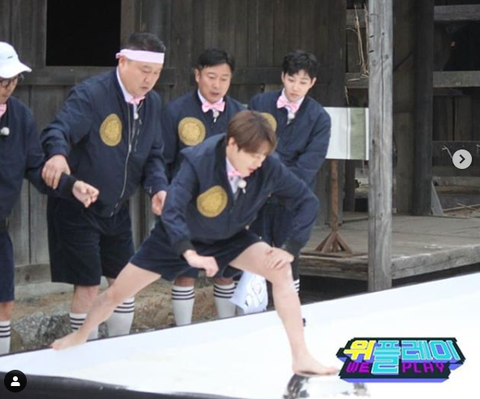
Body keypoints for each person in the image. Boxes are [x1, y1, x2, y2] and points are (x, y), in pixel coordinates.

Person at [52, 111, 338, 376]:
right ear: (232, 144)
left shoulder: (268, 166)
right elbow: (172, 210)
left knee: (281, 270)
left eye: (264, 156)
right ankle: (81, 334)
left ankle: (301, 356)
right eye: (254, 155)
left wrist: (290, 248)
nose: (258, 162)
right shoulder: (199, 159)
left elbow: (307, 201)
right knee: (117, 293)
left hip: (230, 236)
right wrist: (188, 252)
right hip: (177, 238)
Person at [41, 32, 169, 340]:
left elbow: (154, 154)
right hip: (79, 205)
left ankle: (118, 349)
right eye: (144, 70)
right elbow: (58, 129)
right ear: (122, 62)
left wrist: (158, 187)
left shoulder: (152, 103)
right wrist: (57, 155)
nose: (150, 80)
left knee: (124, 281)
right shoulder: (92, 94)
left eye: (156, 73)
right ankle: (82, 351)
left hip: (117, 208)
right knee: (87, 285)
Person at [0, 41, 99, 355]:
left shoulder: (19, 116)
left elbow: (35, 167)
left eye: (13, 80)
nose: (7, 88)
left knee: (4, 302)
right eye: (1, 81)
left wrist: (71, 186)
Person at [161, 48, 244, 325]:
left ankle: (225, 328)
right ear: (197, 75)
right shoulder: (175, 111)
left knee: (226, 272)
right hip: (186, 208)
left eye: (224, 78)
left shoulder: (241, 114)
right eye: (211, 76)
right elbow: (164, 159)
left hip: (228, 209)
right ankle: (182, 331)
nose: (217, 85)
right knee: (185, 272)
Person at [249, 50, 331, 295]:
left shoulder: (320, 118)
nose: (296, 87)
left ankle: (288, 309)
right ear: (283, 77)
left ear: (312, 83)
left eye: (303, 82)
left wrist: (277, 185)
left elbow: (309, 163)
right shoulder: (259, 104)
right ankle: (255, 308)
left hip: (292, 198)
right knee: (254, 255)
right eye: (292, 79)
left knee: (287, 259)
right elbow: (248, 146)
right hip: (257, 196)